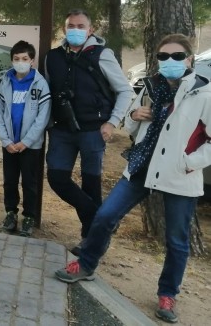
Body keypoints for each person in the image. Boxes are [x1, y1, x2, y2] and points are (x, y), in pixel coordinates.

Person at [55, 34, 211, 324]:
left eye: (177, 57)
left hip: (179, 175)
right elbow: (128, 121)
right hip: (143, 165)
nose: (169, 62)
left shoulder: (204, 92)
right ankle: (86, 263)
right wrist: (135, 114)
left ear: (189, 59)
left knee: (176, 240)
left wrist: (189, 163)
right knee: (105, 216)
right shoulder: (151, 86)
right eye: (163, 57)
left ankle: (167, 294)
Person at [44, 9, 133, 254]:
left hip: (93, 131)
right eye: (70, 25)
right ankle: (99, 218)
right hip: (61, 131)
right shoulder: (52, 57)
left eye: (81, 26)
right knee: (57, 179)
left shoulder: (102, 55)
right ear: (64, 29)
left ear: (91, 29)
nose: (75, 30)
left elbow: (125, 91)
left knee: (91, 185)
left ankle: (90, 242)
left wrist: (112, 122)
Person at [0, 40, 51, 237]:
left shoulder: (40, 84)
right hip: (9, 144)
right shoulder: (6, 82)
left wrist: (26, 142)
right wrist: (6, 140)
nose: (20, 62)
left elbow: (42, 119)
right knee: (9, 181)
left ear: (32, 61)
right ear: (12, 61)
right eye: (16, 59)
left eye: (25, 59)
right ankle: (10, 213)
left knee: (29, 182)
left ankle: (29, 217)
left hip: (30, 146)